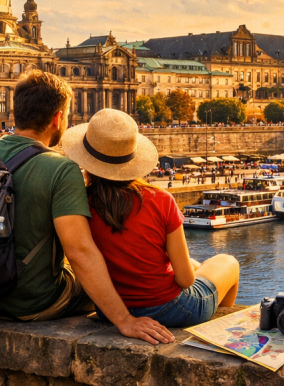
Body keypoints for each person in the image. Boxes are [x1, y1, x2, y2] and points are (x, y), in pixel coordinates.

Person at [0, 70, 173, 345]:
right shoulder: (61, 168)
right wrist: (124, 320)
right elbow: (80, 252)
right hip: (30, 304)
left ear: (16, 111)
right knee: (121, 281)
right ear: (58, 117)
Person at [62, 109, 239, 328]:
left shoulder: (80, 204)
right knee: (228, 262)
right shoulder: (161, 200)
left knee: (195, 265)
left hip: (110, 310)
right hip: (171, 310)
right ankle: (220, 329)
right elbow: (185, 280)